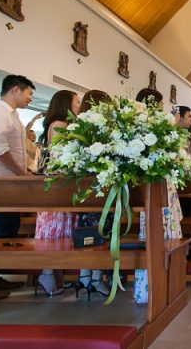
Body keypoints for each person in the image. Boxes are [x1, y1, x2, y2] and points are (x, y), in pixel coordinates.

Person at [133, 88, 185, 303]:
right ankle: (158, 285)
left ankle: (151, 288)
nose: (164, 107)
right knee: (160, 230)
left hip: (155, 184)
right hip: (159, 185)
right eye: (162, 103)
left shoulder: (136, 125)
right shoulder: (158, 127)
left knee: (152, 230)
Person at [0, 74, 35, 298]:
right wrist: (20, 172)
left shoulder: (12, 115)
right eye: (29, 93)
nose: (30, 98)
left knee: (1, 229)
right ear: (16, 90)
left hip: (5, 179)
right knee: (3, 230)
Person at [35, 89, 81, 296]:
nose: (79, 106)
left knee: (62, 229)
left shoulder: (62, 125)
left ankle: (54, 273)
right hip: (57, 183)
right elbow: (62, 157)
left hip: (61, 183)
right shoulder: (60, 125)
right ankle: (46, 272)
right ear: (66, 105)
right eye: (77, 102)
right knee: (54, 230)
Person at [74, 89, 112, 299]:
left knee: (85, 231)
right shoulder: (100, 128)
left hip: (83, 188)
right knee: (101, 232)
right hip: (100, 186)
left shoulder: (79, 127)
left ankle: (84, 276)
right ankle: (96, 278)